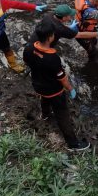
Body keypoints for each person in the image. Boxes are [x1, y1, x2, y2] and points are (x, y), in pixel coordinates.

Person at [23, 23, 90, 151]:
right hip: (54, 90)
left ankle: (45, 114)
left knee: (44, 98)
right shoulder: (52, 58)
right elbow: (62, 78)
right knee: (62, 115)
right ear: (50, 38)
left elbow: (27, 62)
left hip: (37, 85)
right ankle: (73, 144)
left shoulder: (29, 48)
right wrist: (71, 89)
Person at [27, 4, 98, 47]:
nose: (71, 16)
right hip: (40, 47)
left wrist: (69, 27)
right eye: (69, 15)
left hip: (33, 40)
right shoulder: (60, 29)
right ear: (63, 18)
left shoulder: (50, 15)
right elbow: (79, 35)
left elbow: (56, 26)